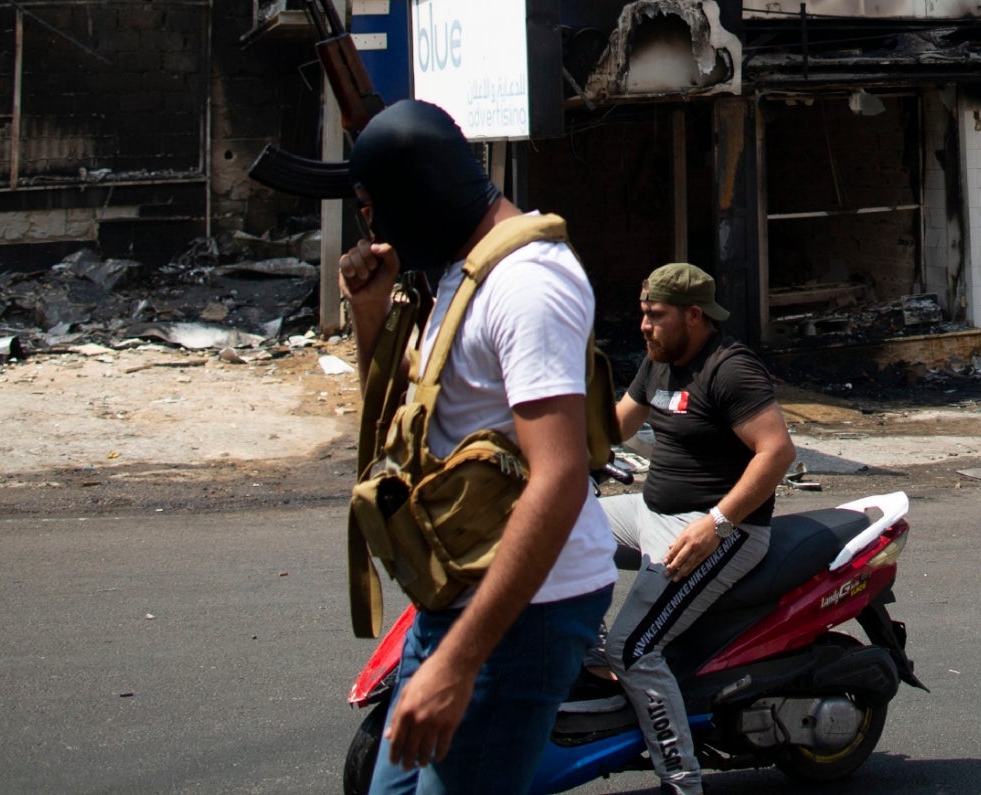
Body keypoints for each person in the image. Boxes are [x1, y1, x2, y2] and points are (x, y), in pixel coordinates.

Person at [336, 100, 616, 795]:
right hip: (461, 596)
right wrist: (371, 309)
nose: (373, 227)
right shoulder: (470, 270)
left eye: (375, 208)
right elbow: (413, 420)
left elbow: (560, 478)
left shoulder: (527, 283)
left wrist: (459, 662)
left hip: (525, 613)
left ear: (416, 192)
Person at [593, 264, 797, 795]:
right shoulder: (660, 362)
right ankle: (584, 655)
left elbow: (777, 452)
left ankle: (683, 783)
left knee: (634, 649)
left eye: (655, 315)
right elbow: (614, 428)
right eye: (643, 313)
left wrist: (718, 523)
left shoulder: (729, 369)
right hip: (649, 513)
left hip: (720, 530)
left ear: (693, 315)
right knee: (548, 533)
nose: (644, 325)